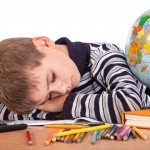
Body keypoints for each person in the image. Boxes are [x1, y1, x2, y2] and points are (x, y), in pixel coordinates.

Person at [0, 36, 149, 123]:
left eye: (52, 78)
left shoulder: (104, 55)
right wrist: (42, 104)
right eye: (50, 97)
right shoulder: (37, 92)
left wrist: (63, 104)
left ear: (44, 43)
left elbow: (129, 107)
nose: (62, 90)